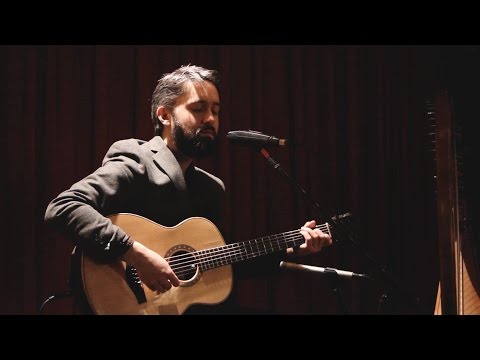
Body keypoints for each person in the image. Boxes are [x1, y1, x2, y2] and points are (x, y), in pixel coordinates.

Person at [44, 64, 332, 315]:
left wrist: (292, 247)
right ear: (165, 116)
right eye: (198, 109)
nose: (211, 119)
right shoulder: (138, 160)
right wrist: (137, 255)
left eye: (216, 111)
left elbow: (221, 263)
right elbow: (64, 207)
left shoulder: (210, 188)